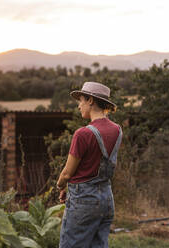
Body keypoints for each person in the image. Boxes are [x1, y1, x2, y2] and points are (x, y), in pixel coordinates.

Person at [57, 81, 123, 248]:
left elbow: (66, 173)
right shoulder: (117, 130)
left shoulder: (83, 134)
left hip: (83, 200)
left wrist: (61, 186)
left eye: (81, 100)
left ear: (91, 101)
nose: (79, 106)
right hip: (106, 198)